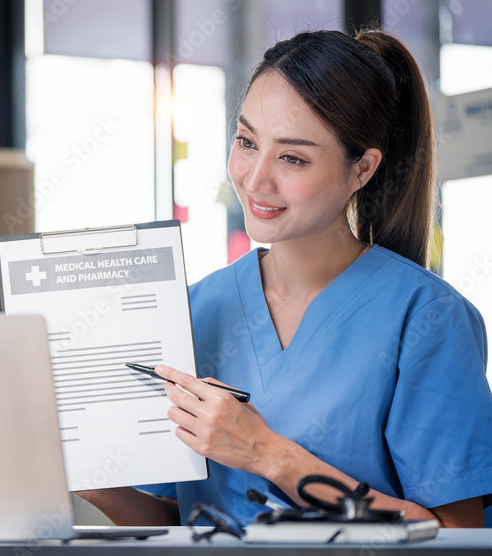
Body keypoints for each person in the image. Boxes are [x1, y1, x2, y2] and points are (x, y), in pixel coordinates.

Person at [77, 29, 492, 528]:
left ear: (362, 168)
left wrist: (269, 455)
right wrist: (94, 479)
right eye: (247, 141)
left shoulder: (426, 318)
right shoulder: (190, 309)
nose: (255, 180)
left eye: (292, 157)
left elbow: (455, 534)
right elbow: (186, 519)